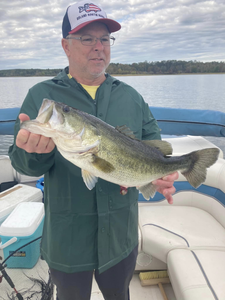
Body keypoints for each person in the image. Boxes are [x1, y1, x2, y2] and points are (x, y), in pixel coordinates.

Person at [9, 1, 178, 299]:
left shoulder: (132, 97)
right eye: (87, 39)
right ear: (66, 45)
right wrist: (32, 152)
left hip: (120, 238)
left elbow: (155, 149)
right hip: (68, 240)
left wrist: (161, 175)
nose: (98, 47)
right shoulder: (42, 97)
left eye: (104, 38)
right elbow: (26, 166)